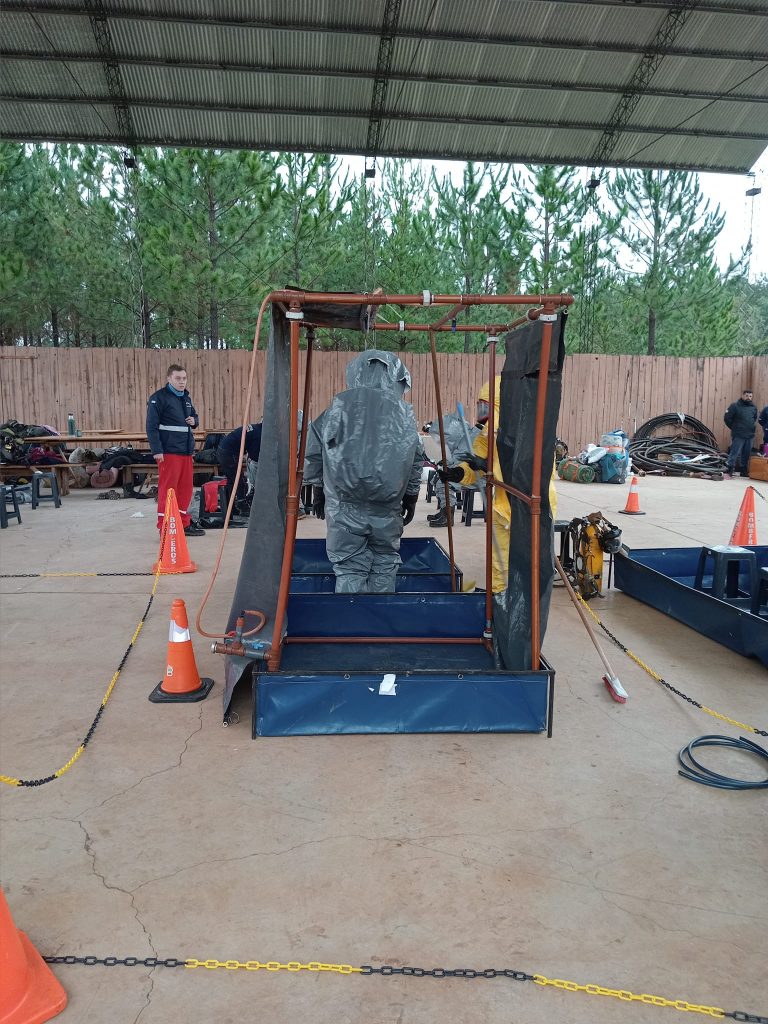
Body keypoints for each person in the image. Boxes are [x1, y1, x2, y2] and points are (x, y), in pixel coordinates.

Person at [304, 350, 424, 593]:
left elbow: (314, 453)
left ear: (355, 373)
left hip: (344, 503)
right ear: (397, 379)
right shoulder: (404, 416)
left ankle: (352, 613)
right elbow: (415, 458)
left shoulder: (335, 410)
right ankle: (381, 612)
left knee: (348, 564)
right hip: (387, 503)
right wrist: (411, 496)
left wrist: (318, 489)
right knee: (385, 560)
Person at [437, 376, 557, 593]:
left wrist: (486, 465)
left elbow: (525, 473)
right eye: (481, 407)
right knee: (499, 562)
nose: (483, 413)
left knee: (527, 563)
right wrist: (458, 473)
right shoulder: (487, 434)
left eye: (487, 407)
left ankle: (525, 604)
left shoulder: (533, 432)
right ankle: (499, 598)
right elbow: (475, 464)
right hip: (502, 507)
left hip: (531, 507)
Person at [146, 364, 204, 536]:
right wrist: (157, 450)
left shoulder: (186, 398)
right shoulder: (158, 398)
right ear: (169, 379)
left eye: (184, 378)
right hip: (168, 453)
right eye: (178, 378)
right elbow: (151, 427)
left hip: (186, 452)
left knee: (185, 490)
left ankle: (183, 524)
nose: (182, 382)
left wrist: (194, 421)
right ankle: (165, 527)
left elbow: (194, 416)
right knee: (168, 490)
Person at [215, 423, 263, 505]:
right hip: (229, 453)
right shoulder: (259, 434)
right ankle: (242, 504)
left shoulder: (255, 429)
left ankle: (230, 506)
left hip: (223, 450)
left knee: (232, 481)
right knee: (239, 481)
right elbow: (254, 457)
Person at [724, 389, 757, 478]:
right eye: (747, 396)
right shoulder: (734, 406)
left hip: (750, 434)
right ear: (742, 396)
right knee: (735, 452)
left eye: (750, 396)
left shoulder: (753, 407)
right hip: (738, 434)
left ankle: (743, 471)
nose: (748, 398)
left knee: (746, 453)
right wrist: (735, 427)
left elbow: (754, 418)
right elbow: (727, 418)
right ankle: (729, 469)